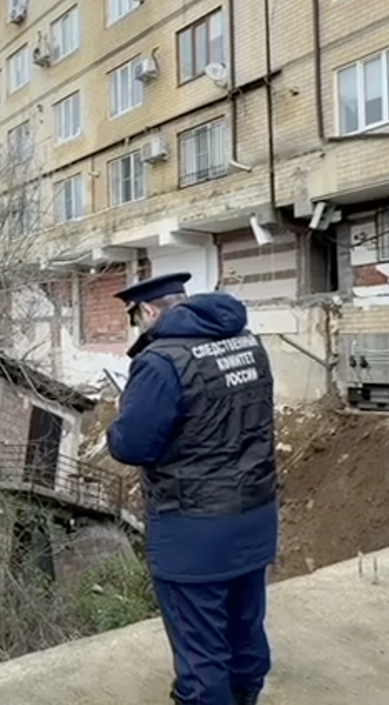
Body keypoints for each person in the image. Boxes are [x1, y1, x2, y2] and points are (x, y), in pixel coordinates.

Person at [105, 272, 278, 705]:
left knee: (201, 651)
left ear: (148, 311)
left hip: (192, 531)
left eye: (136, 319)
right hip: (255, 516)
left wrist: (122, 415)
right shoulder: (247, 343)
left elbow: (131, 445)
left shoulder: (161, 362)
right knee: (245, 626)